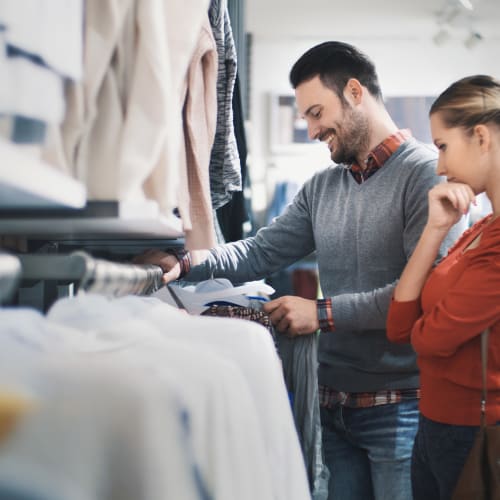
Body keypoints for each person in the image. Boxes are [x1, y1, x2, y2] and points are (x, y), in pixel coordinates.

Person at [135, 41, 464, 500]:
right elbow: (259, 252)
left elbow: (425, 294)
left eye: (315, 112)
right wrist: (186, 262)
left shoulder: (426, 175)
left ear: (354, 91)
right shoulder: (323, 187)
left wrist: (321, 313)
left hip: (400, 407)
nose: (310, 130)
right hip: (332, 404)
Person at [386, 74, 500, 500]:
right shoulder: (480, 230)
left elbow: (428, 341)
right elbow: (401, 328)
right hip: (435, 426)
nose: (439, 166)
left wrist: (424, 326)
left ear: (481, 137)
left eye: (443, 146)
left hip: (476, 436)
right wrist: (435, 230)